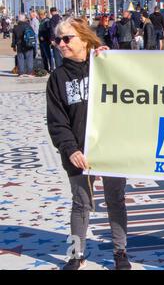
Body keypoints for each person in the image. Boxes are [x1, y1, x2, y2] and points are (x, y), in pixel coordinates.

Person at [46, 17, 131, 270]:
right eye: (57, 39)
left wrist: (112, 61)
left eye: (67, 38)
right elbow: (57, 121)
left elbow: (134, 91)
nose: (61, 44)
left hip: (111, 146)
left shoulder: (104, 66)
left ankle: (120, 252)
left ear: (84, 39)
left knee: (116, 199)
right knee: (80, 203)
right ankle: (75, 254)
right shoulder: (57, 78)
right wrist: (70, 149)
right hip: (78, 153)